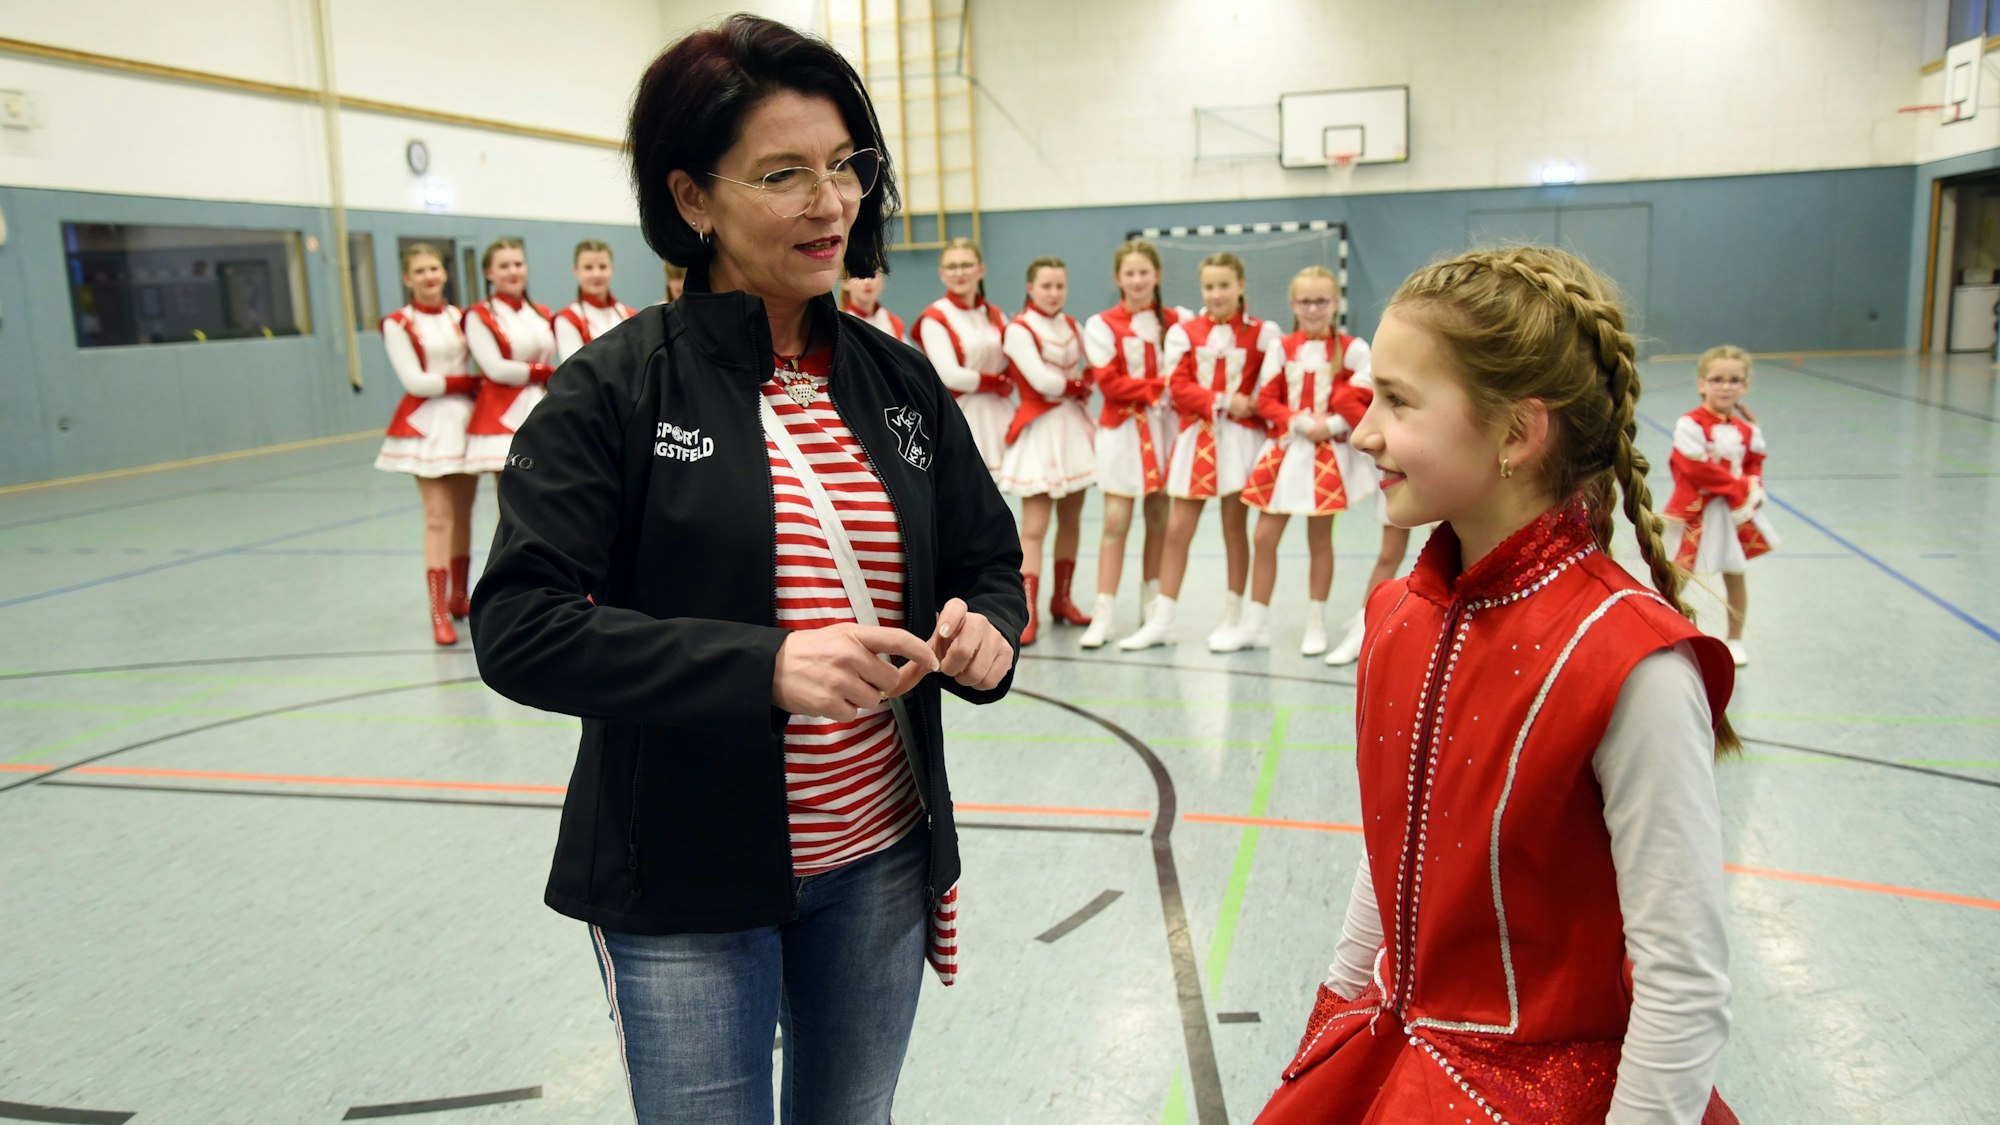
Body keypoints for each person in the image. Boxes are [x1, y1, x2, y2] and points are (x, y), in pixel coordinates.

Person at [470, 16, 1024, 1124]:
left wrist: (989, 634)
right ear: (692, 201)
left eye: (844, 167)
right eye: (783, 175)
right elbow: (520, 627)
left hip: (877, 865)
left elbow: (985, 558)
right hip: (681, 883)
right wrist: (761, 666)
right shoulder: (614, 392)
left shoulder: (897, 383)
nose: (829, 203)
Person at [1257, 246, 1739, 1125]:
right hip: (1398, 1068)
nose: (1363, 431)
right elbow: (1392, 859)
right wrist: (1331, 1022)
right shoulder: (1396, 617)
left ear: (1518, 433)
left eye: (1398, 402)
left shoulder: (1631, 662)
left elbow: (1683, 981)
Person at [1118, 251, 1280, 652]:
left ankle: (1233, 616)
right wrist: (1225, 400)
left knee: (1233, 529)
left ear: (1240, 285)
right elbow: (1179, 386)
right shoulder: (1184, 332)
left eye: (1224, 285)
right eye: (1209, 286)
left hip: (1242, 441)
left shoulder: (1264, 333)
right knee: (1177, 530)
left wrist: (1253, 404)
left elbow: (1272, 386)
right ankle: (1163, 619)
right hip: (1199, 438)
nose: (1217, 293)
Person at [1239, 266, 1372, 656]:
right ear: (1292, 304)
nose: (1313, 309)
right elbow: (1266, 399)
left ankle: (1316, 623)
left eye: (1321, 301)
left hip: (1327, 454)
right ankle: (1256, 622)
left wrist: (1330, 424)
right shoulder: (1282, 346)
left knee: (1320, 540)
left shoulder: (1353, 349)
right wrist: (1296, 421)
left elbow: (1365, 397)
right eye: (1305, 301)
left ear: (1335, 303)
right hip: (1286, 449)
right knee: (1263, 537)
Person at [373, 242, 479, 645]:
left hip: (466, 424)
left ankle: (459, 596)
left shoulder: (461, 317)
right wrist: (467, 383)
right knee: (437, 516)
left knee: (463, 515)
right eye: (420, 271)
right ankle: (437, 611)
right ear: (407, 278)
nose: (430, 277)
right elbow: (416, 381)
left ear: (445, 272)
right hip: (426, 425)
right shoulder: (398, 323)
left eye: (435, 269)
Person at [1077, 240, 1179, 648]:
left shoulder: (1177, 321)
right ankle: (1103, 612)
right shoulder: (1101, 324)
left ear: (1157, 275)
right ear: (1117, 278)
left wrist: (1163, 388)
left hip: (1165, 431)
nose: (1137, 280)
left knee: (1159, 519)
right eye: (1129, 273)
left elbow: (1185, 375)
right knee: (1115, 522)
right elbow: (1111, 384)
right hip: (1121, 433)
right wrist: (1161, 386)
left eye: (1144, 272)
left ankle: (1152, 609)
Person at [997, 257, 1097, 644]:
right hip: (1039, 431)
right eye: (1046, 286)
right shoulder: (1019, 329)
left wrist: (1085, 379)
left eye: (1060, 286)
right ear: (1030, 287)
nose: (1054, 293)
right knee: (1035, 528)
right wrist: (1076, 385)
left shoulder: (1073, 325)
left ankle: (1062, 599)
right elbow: (1041, 381)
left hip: (1073, 431)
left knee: (1072, 520)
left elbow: (1096, 364)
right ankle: (1028, 611)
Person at [1663, 345, 1777, 667]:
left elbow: (1754, 462)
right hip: (1697, 511)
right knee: (1680, 572)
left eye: (1734, 380)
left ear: (1745, 385)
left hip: (1731, 514)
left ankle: (1735, 639)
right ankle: (1662, 627)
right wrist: (1741, 487)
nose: (1726, 386)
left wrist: (1755, 485)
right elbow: (1695, 469)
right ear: (1702, 383)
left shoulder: (1747, 430)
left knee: (1735, 573)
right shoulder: (1689, 425)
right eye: (1717, 379)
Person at [912, 238, 1012, 475]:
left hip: (999, 411)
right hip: (961, 413)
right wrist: (996, 382)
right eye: (952, 266)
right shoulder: (934, 317)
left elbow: (1010, 359)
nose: (959, 273)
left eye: (966, 265)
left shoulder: (994, 314)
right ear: (941, 273)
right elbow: (950, 376)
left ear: (981, 269)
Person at [463, 239, 557, 475]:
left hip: (544, 404)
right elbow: (495, 368)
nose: (513, 271)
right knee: (511, 494)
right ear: (489, 273)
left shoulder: (543, 312)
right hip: (502, 412)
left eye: (518, 264)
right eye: (504, 266)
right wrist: (543, 372)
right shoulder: (479, 314)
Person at [553, 240, 638, 361]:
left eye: (603, 267)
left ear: (612, 269)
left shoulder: (631, 315)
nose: (597, 274)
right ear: (576, 271)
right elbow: (573, 372)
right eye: (588, 267)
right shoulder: (568, 318)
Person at [842, 271, 904, 338]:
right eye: (859, 274)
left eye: (873, 273)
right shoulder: (839, 326)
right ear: (846, 282)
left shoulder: (894, 324)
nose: (867, 281)